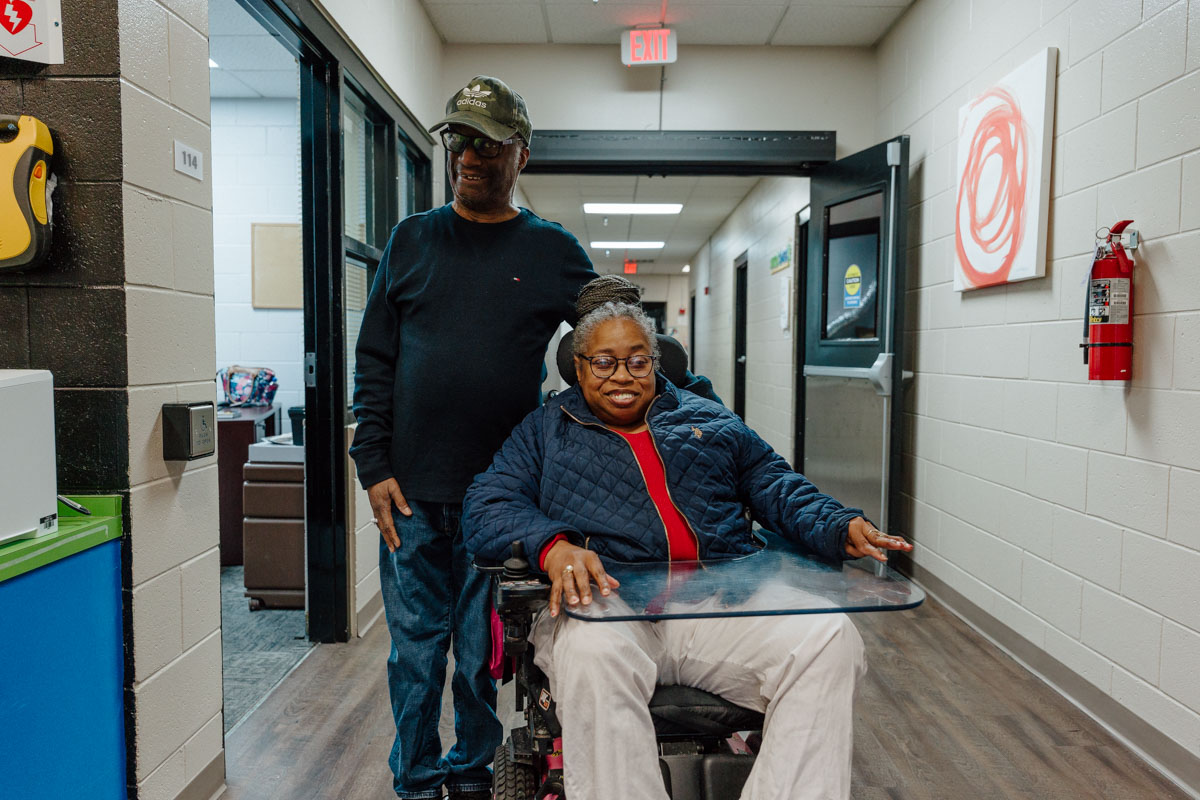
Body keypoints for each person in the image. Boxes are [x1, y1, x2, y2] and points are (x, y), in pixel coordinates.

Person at [462, 293, 912, 800]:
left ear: (655, 362)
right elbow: (485, 503)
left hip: (717, 606)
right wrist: (553, 547)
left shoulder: (711, 421)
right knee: (593, 657)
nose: (621, 376)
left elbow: (775, 484)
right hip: (607, 605)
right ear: (579, 368)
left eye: (637, 361)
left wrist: (838, 523)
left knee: (829, 638)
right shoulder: (545, 431)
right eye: (604, 362)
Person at [350, 75, 597, 800]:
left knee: (486, 653)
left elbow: (609, 336)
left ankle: (475, 777)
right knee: (417, 654)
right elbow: (374, 360)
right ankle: (419, 780)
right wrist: (372, 465)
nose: (470, 156)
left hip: (502, 501)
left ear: (522, 154)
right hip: (411, 495)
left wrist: (676, 399)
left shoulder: (551, 250)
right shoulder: (411, 239)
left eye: (488, 144)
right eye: (460, 140)